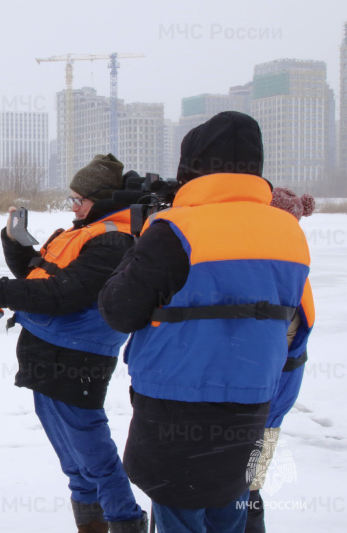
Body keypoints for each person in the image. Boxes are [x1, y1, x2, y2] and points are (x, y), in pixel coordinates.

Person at [98, 111, 315, 532]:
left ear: (191, 166)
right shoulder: (290, 234)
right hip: (251, 404)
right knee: (230, 507)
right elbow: (297, 330)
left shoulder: (176, 228)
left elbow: (117, 309)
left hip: (175, 410)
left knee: (180, 515)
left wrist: (140, 243)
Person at [0, 154, 148, 533]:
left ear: (104, 198)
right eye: (72, 200)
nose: (74, 208)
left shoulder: (114, 240)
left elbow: (63, 294)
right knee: (74, 460)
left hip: (76, 359)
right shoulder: (88, 229)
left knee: (93, 454)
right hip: (48, 353)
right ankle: (91, 524)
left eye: (80, 200)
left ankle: (126, 521)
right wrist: (13, 242)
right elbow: (37, 275)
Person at [245, 187, 315, 533]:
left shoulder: (284, 273)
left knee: (247, 484)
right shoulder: (289, 264)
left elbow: (270, 341)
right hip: (278, 387)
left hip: (271, 392)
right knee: (248, 479)